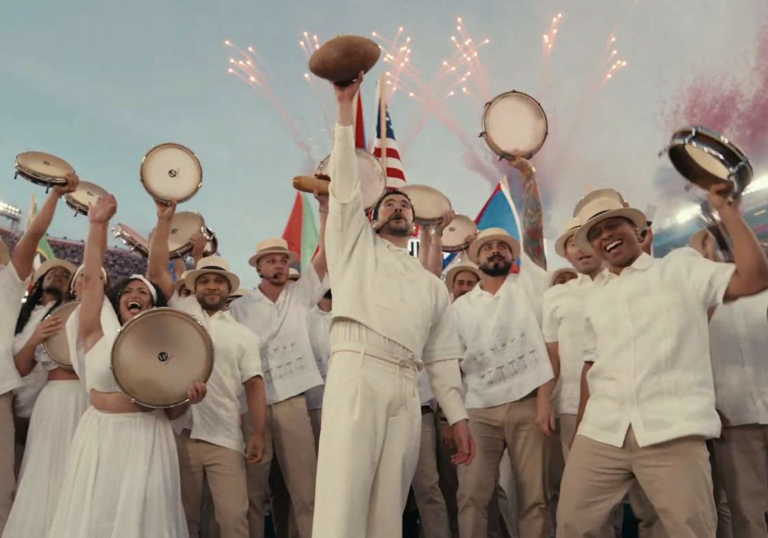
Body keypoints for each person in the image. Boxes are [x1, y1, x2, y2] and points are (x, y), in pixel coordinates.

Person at [312, 71, 474, 538]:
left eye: (405, 205)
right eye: (389, 203)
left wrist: (457, 415)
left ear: (415, 219)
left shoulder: (431, 285)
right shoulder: (352, 248)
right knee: (344, 502)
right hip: (357, 372)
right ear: (371, 215)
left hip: (407, 388)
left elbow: (441, 356)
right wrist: (346, 107)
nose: (399, 207)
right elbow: (344, 193)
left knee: (388, 511)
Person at [557, 186, 768, 538]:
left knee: (691, 530)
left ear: (637, 230)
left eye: (613, 225)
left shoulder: (679, 267)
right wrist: (580, 434)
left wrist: (728, 213)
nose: (606, 235)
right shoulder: (593, 298)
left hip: (672, 428)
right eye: (596, 233)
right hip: (602, 431)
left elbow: (754, 278)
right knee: (571, 526)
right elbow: (591, 367)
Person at [48, 194, 203, 537]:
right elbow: (91, 280)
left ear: (152, 304)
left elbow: (173, 412)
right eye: (129, 291)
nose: (136, 294)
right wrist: (97, 224)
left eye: (144, 292)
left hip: (148, 439)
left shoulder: (166, 347)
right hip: (99, 438)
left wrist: (189, 398)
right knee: (96, 519)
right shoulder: (96, 332)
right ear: (118, 302)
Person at [149, 201, 267, 538]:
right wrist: (164, 220)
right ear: (195, 287)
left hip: (225, 437)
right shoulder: (182, 310)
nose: (212, 286)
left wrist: (258, 433)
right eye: (205, 281)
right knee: (183, 520)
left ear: (229, 290)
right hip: (181, 433)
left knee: (233, 520)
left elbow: (255, 385)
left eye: (219, 281)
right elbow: (156, 270)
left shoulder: (244, 336)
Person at [453, 227, 555, 538]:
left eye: (502, 246)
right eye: (487, 247)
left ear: (513, 255)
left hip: (528, 404)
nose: (495, 250)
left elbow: (533, 234)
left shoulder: (529, 286)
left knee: (535, 498)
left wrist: (544, 400)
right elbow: (452, 366)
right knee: (471, 496)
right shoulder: (460, 308)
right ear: (476, 258)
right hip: (479, 410)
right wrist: (455, 417)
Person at [229, 228, 329, 538]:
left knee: (306, 491)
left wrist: (325, 210)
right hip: (252, 405)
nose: (279, 266)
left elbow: (326, 254)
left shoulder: (300, 295)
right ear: (258, 267)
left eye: (283, 261)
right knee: (254, 494)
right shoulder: (238, 308)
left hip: (292, 401)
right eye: (271, 261)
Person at [0, 173, 78, 535]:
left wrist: (56, 196)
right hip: (16, 402)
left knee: (8, 490)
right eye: (52, 272)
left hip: (20, 403)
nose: (57, 276)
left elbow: (31, 235)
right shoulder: (21, 313)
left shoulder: (7, 282)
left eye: (64, 274)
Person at [692, 228, 768, 538]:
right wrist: (710, 406)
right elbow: (688, 362)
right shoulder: (694, 304)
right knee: (747, 513)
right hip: (733, 419)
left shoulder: (763, 290)